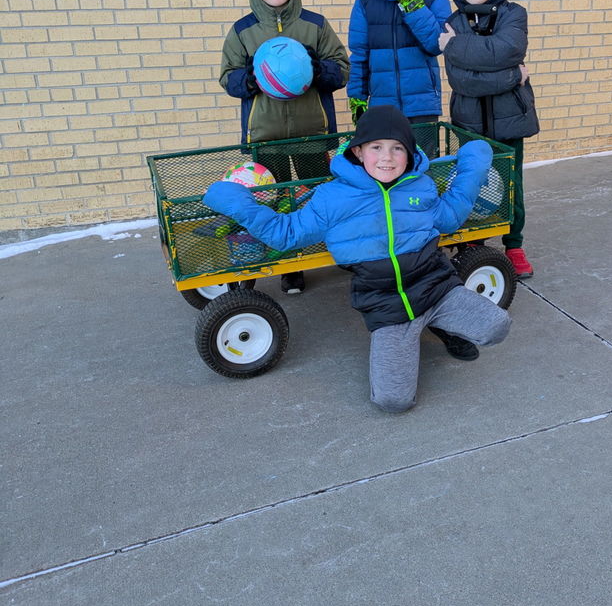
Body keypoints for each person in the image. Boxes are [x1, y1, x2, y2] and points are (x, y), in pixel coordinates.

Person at [203, 105, 510, 413]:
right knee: (393, 401)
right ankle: (416, 334)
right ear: (359, 152)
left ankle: (441, 325)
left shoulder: (421, 185)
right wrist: (237, 203)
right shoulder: (332, 198)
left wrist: (473, 164)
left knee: (498, 326)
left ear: (409, 154)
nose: (387, 157)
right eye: (376, 147)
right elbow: (287, 233)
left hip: (438, 289)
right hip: (388, 308)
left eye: (397, 148)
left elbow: (450, 216)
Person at [219, 0, 350, 294]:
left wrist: (316, 68)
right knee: (274, 202)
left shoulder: (315, 25)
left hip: (312, 133)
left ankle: (333, 249)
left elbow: (341, 69)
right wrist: (250, 78)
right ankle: (290, 265)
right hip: (266, 136)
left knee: (317, 197)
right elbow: (227, 77)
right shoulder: (243, 31)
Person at [439, 0, 540, 278]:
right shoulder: (453, 21)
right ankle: (474, 241)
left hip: (509, 120)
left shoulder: (514, 15)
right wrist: (512, 76)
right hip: (469, 121)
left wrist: (458, 48)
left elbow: (507, 49)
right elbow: (463, 80)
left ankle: (514, 244)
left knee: (511, 183)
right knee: (473, 181)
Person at [347, 0, 450, 144]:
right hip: (382, 107)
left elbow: (437, 43)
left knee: (422, 164)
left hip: (422, 106)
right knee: (386, 164)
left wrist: (410, 1)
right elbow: (360, 54)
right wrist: (357, 97)